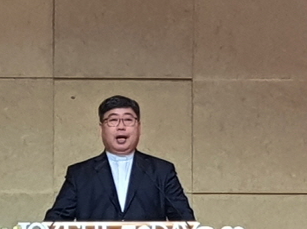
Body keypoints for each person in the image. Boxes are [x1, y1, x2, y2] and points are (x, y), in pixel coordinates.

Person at [44, 95, 195, 222]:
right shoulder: (80, 174)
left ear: (139, 126)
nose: (121, 126)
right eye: (113, 120)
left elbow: (184, 219)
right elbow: (57, 220)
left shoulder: (161, 171)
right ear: (102, 128)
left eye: (128, 120)